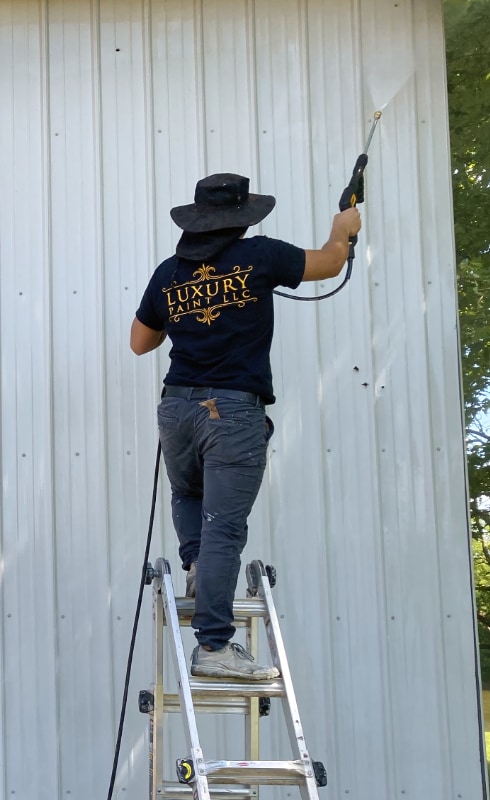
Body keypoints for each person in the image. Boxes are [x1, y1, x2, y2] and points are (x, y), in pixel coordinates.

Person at [131, 173, 361, 680]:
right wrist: (342, 229)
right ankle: (214, 645)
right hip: (232, 410)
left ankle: (196, 572)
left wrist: (188, 308)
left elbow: (140, 343)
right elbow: (330, 262)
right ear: (242, 219)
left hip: (177, 408)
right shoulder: (259, 256)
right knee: (224, 528)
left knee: (188, 497)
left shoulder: (168, 272)